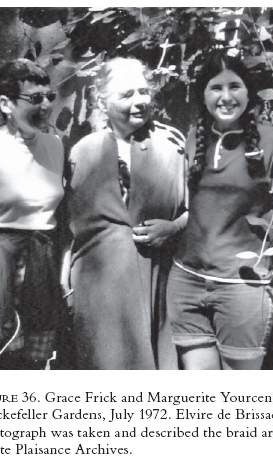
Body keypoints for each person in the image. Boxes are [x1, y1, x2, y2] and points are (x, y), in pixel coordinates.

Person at [167, 52, 273, 370]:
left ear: (248, 91)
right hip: (186, 282)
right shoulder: (196, 137)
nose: (226, 97)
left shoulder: (271, 141)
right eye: (215, 88)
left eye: (234, 86)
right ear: (203, 95)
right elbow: (196, 210)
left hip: (242, 287)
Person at [66, 57, 187, 370]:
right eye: (126, 95)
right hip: (100, 289)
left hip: (157, 281)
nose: (139, 101)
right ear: (103, 103)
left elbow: (196, 210)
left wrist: (173, 227)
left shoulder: (171, 146)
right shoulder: (83, 151)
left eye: (143, 92)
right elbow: (68, 229)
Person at [0, 59, 65, 370]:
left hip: (42, 263)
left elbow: (61, 219)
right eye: (35, 98)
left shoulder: (55, 146)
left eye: (49, 97)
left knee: (34, 362)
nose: (45, 106)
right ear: (5, 103)